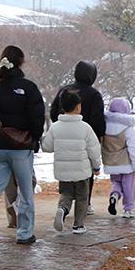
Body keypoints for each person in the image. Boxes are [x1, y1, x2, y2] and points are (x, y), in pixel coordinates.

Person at [0, 45, 45, 250]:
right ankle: (24, 233)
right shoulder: (28, 87)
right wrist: (34, 138)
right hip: (21, 148)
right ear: (21, 62)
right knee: (25, 191)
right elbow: (37, 118)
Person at [49, 61, 105, 214]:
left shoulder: (64, 90)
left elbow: (53, 112)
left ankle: (65, 204)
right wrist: (98, 136)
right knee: (85, 174)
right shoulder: (94, 94)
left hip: (63, 137)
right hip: (86, 138)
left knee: (66, 171)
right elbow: (98, 120)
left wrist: (61, 127)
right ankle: (85, 204)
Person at [43, 90, 102, 234]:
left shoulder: (55, 127)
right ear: (78, 107)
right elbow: (94, 150)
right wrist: (96, 166)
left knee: (66, 194)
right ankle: (78, 225)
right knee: (82, 197)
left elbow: (47, 147)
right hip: (82, 171)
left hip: (63, 171)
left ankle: (62, 209)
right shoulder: (85, 128)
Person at [103, 97, 135, 219]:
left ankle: (114, 195)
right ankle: (128, 209)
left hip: (111, 162)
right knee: (128, 186)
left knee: (116, 182)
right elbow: (133, 148)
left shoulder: (104, 127)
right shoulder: (128, 128)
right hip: (126, 163)